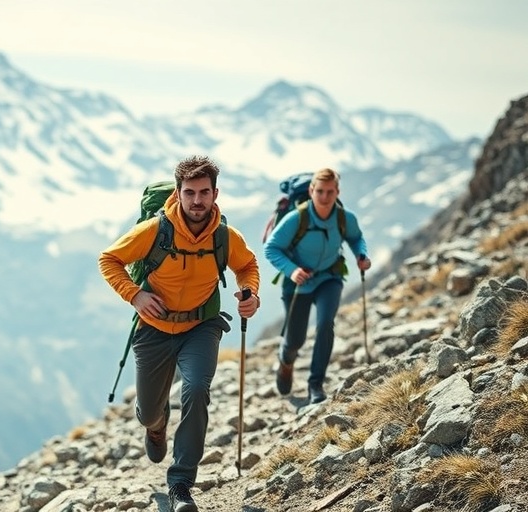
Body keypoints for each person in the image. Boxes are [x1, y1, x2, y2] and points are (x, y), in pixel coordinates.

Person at [98, 156, 260, 512]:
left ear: (216, 194)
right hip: (154, 329)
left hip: (201, 326)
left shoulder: (225, 237)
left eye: (204, 192)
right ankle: (156, 428)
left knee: (197, 387)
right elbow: (109, 259)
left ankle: (181, 484)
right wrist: (135, 295)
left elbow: (247, 265)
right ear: (178, 193)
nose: (197, 201)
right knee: (149, 413)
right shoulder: (154, 231)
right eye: (190, 193)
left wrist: (250, 293)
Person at [264, 167, 370, 405]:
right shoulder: (297, 218)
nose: (324, 197)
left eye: (330, 192)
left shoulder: (344, 217)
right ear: (311, 190)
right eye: (319, 191)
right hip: (298, 284)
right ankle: (286, 360)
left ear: (337, 191)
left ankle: (315, 386)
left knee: (325, 325)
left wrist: (361, 254)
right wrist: (292, 270)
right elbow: (271, 248)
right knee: (295, 340)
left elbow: (355, 238)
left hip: (329, 278)